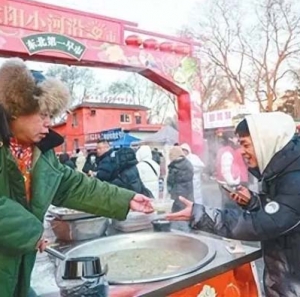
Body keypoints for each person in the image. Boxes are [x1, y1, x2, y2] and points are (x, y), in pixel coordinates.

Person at [0, 58, 153, 297]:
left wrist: (125, 198)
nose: (49, 124)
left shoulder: (41, 153)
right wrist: (31, 231)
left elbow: (72, 185)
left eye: (51, 115)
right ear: (16, 109)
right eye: (42, 115)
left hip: (17, 270)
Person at [167, 112, 300, 297]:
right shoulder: (280, 172)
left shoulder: (295, 176)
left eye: (246, 144)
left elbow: (265, 224)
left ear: (266, 141)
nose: (242, 151)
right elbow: (281, 211)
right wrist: (254, 202)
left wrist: (200, 214)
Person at [167, 146, 194, 213]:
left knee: (178, 214)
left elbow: (170, 181)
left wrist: (170, 191)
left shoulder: (174, 166)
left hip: (177, 194)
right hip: (189, 192)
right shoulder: (188, 163)